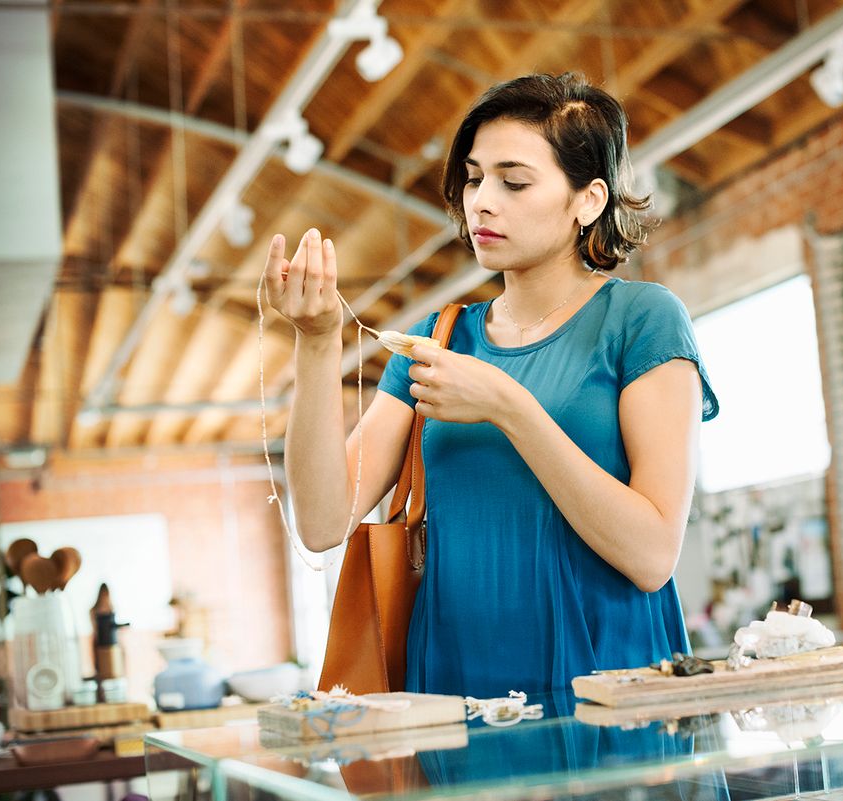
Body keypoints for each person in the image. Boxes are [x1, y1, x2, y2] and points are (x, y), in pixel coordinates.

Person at [264, 72, 718, 697]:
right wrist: (316, 345)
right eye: (475, 178)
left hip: (610, 681)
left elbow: (651, 555)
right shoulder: (440, 341)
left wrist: (509, 407)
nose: (481, 201)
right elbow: (320, 522)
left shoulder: (641, 319)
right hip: (457, 687)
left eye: (514, 181)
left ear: (589, 199)